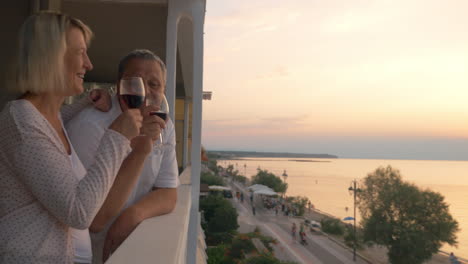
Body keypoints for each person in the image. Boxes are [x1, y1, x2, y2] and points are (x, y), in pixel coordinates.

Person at [0, 12, 143, 263]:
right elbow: (79, 212)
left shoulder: (45, 117)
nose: (89, 64)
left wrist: (87, 100)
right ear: (50, 58)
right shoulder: (20, 121)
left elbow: (51, 130)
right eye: (80, 53)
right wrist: (118, 137)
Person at [66, 49, 179, 263]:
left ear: (164, 90)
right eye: (134, 82)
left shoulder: (164, 124)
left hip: (130, 241)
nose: (144, 91)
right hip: (87, 251)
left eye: (154, 84)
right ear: (120, 85)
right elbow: (94, 220)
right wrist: (143, 145)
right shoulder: (90, 126)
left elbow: (168, 193)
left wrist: (133, 215)